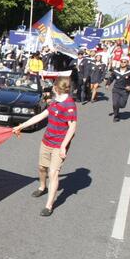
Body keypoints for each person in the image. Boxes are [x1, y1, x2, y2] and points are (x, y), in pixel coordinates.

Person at [11, 77, 78, 217]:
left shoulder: (69, 105)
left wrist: (63, 147)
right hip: (47, 141)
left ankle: (49, 205)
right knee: (42, 168)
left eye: (53, 86)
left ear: (56, 88)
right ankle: (42, 187)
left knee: (53, 173)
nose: (52, 88)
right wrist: (21, 126)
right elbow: (41, 115)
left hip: (59, 145)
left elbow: (72, 128)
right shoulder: (54, 102)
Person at [105, 56, 130, 122]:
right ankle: (116, 116)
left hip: (125, 90)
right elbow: (111, 78)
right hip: (116, 89)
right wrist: (108, 84)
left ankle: (117, 108)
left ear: (127, 63)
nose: (122, 63)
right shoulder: (116, 70)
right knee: (115, 104)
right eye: (121, 62)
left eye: (124, 62)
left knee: (122, 105)